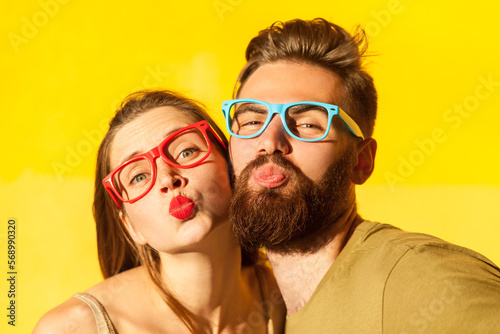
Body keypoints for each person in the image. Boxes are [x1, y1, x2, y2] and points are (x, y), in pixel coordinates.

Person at [223, 18, 500, 333]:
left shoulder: (418, 279)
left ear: (362, 161)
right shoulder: (267, 315)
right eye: (251, 121)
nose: (269, 142)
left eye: (308, 124)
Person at [34, 90, 285, 333]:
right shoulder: (73, 328)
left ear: (233, 168)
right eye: (139, 176)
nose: (167, 178)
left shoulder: (281, 297)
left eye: (186, 152)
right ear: (130, 226)